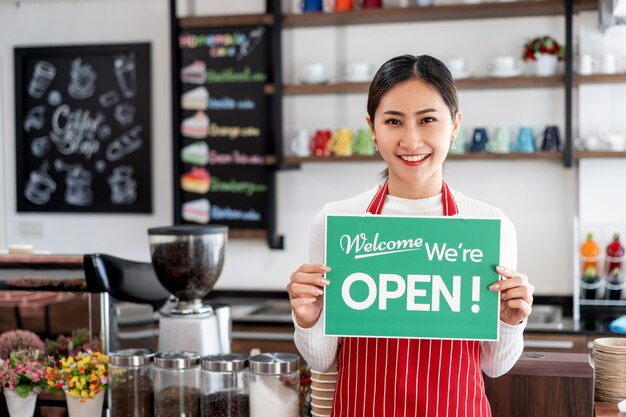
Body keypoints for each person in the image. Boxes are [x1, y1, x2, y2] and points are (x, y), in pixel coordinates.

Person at [286, 54, 535, 417]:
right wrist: (308, 318)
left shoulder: (490, 226)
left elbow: (495, 367)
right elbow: (322, 361)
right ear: (372, 128)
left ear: (454, 125)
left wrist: (510, 322)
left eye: (428, 120)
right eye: (393, 121)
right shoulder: (337, 221)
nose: (411, 139)